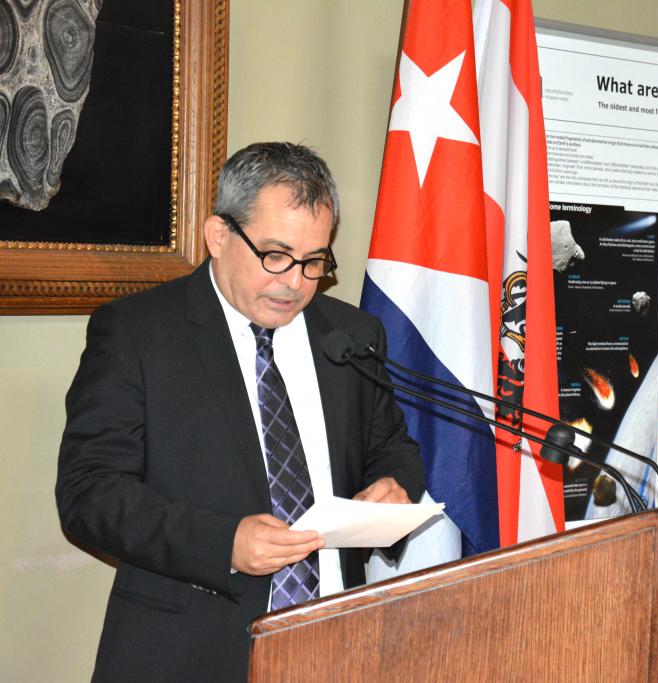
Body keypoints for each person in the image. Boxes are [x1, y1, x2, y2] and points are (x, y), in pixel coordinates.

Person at [55, 142, 425, 682]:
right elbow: (90, 493)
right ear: (219, 236)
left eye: (314, 261)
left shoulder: (351, 334)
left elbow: (391, 447)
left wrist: (394, 484)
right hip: (188, 653)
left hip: (337, 645)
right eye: (275, 255)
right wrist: (222, 543)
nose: (295, 282)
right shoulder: (137, 334)